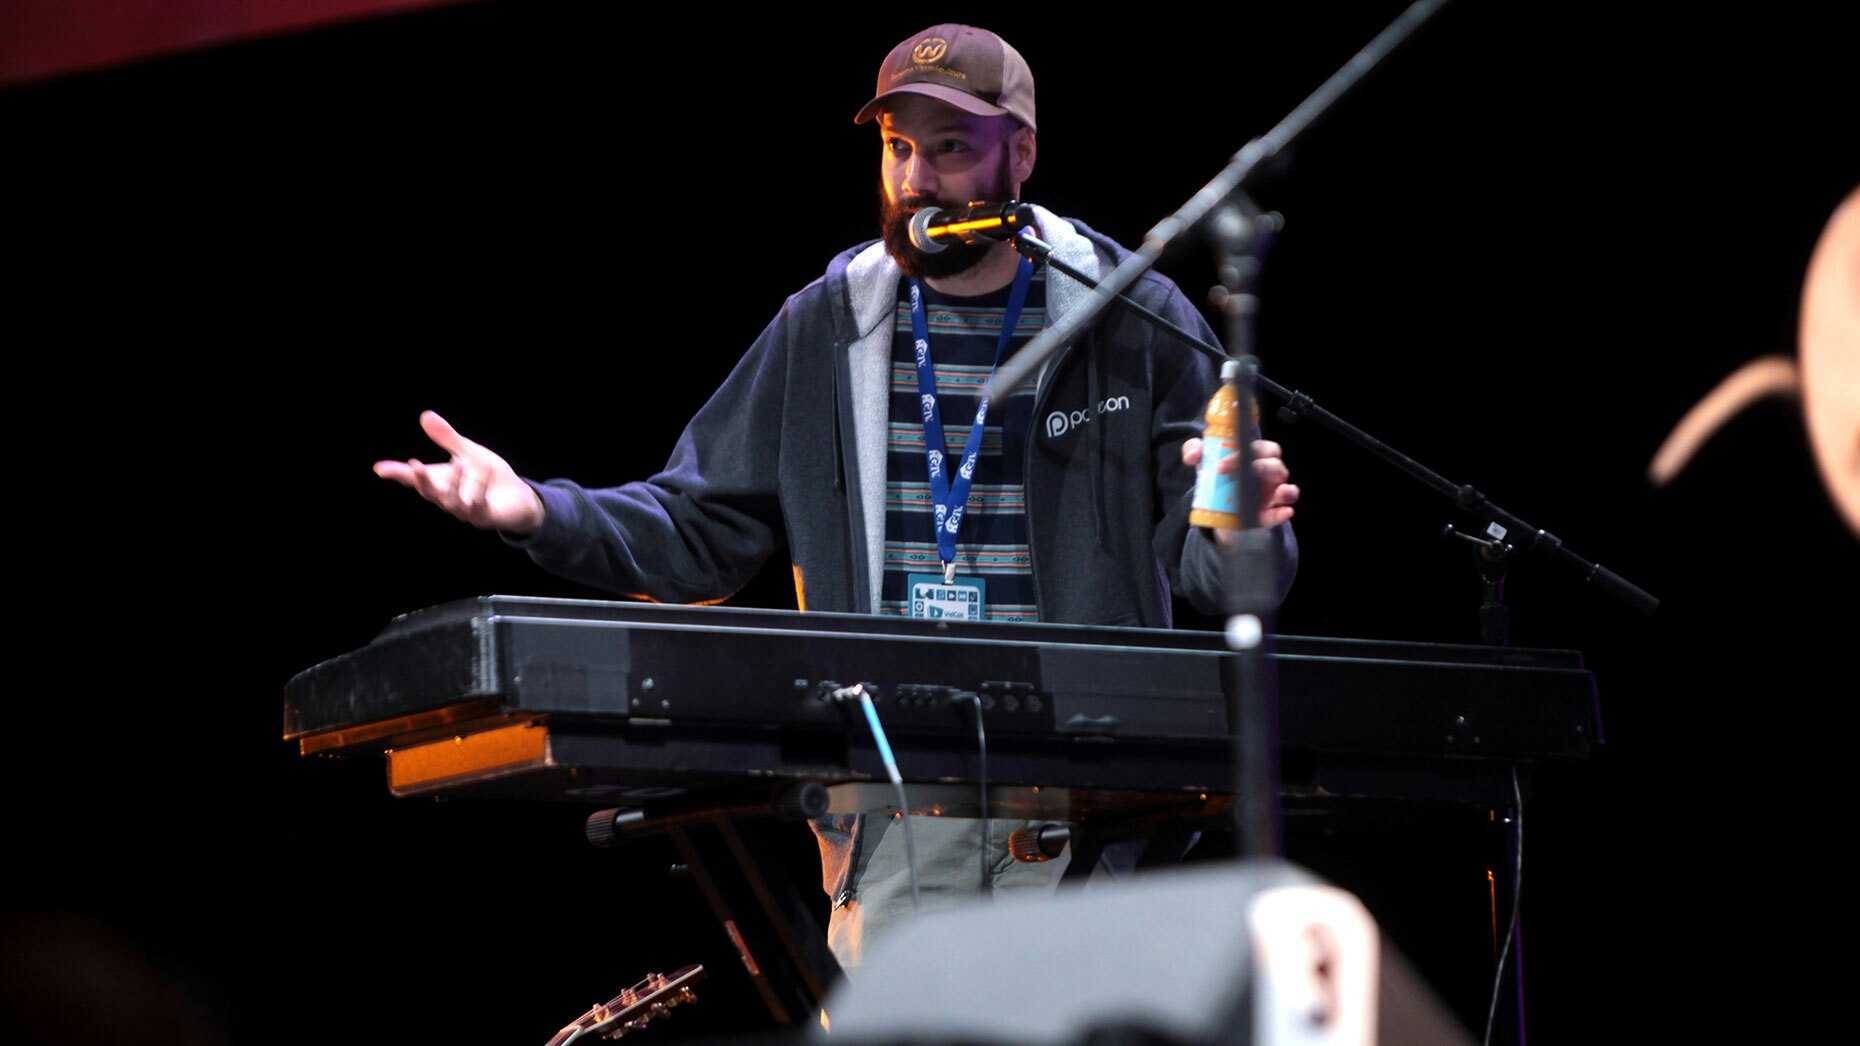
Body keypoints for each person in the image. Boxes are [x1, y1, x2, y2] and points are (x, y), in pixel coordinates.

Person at [374, 24, 1299, 972]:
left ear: (1020, 153)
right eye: (898, 147)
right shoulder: (826, 326)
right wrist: (535, 509)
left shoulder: (1133, 319)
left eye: (949, 148)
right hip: (897, 812)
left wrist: (1247, 531)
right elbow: (699, 529)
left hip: (1095, 818)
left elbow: (1224, 581)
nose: (916, 180)